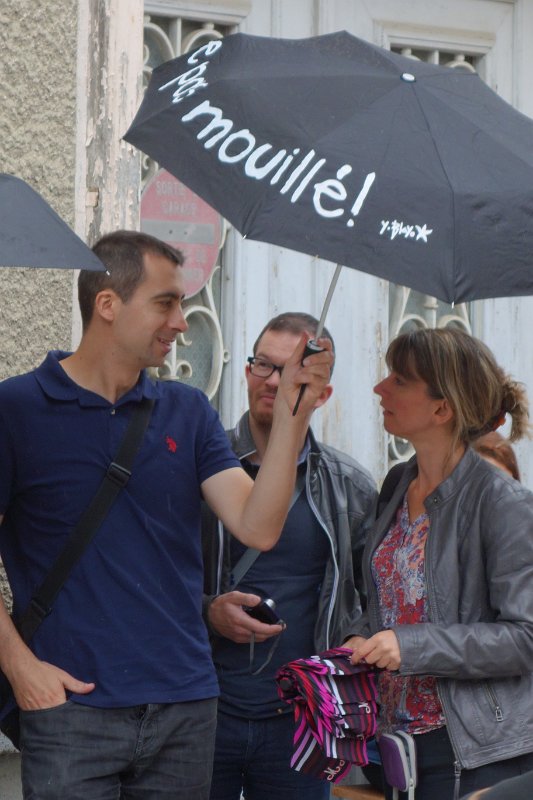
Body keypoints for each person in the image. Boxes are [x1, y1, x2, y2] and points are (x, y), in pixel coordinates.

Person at [0, 231, 333, 800]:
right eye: (166, 302)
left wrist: (294, 417)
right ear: (108, 304)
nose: (181, 322)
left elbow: (257, 526)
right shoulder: (17, 408)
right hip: (71, 709)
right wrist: (20, 668)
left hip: (185, 707)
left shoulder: (188, 410)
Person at [346, 327, 533, 800]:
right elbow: (390, 598)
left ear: (442, 409)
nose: (379, 388)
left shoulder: (502, 502)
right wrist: (360, 637)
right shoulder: (396, 483)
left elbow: (525, 637)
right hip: (395, 745)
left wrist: (410, 645)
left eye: (399, 380)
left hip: (474, 754)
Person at [202, 311, 377, 800]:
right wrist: (207, 611)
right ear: (246, 371)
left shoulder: (350, 487)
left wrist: (356, 642)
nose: (274, 382)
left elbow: (371, 597)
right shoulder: (200, 469)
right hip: (202, 711)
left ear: (322, 394)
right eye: (264, 365)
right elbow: (156, 577)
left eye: (292, 372)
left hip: (300, 721)